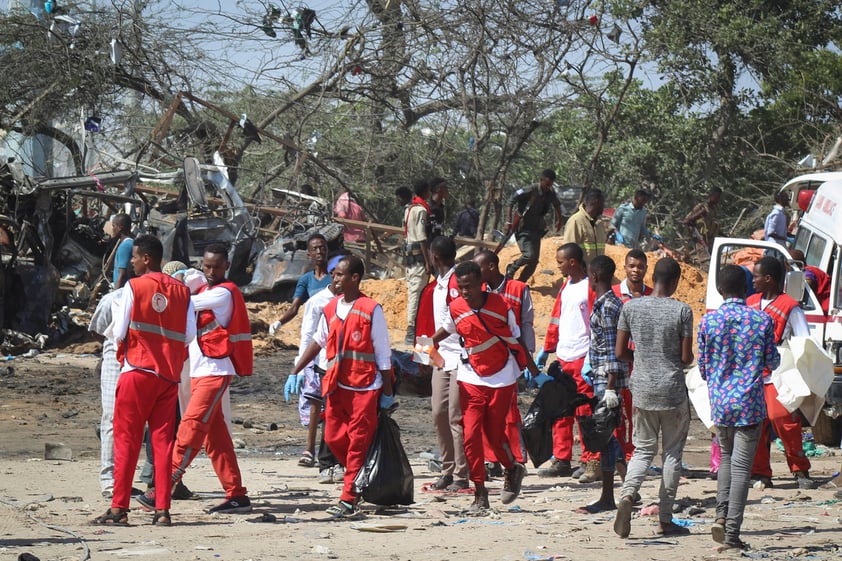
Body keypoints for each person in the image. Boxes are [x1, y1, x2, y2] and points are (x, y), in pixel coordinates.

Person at [93, 234, 195, 527]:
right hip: (167, 377)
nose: (132, 262)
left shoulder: (133, 287)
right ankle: (162, 509)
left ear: (146, 258)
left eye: (135, 257)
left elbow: (119, 330)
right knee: (163, 444)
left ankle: (118, 508)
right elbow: (189, 335)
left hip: (137, 371)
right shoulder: (183, 291)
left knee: (126, 441)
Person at [291, 255, 395, 518]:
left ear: (355, 278)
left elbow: (383, 353)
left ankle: (349, 497)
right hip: (337, 386)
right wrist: (296, 370)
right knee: (334, 438)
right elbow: (318, 340)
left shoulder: (372, 309)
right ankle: (358, 475)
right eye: (334, 274)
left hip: (365, 387)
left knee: (358, 443)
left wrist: (387, 392)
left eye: (339, 274)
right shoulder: (331, 308)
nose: (334, 279)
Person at [431, 261, 538, 512]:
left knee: (493, 433)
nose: (465, 292)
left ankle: (512, 468)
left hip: (502, 376)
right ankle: (480, 494)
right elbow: (446, 329)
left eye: (469, 286)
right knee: (470, 434)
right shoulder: (455, 307)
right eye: (461, 287)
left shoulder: (501, 305)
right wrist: (424, 347)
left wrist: (533, 370)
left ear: (481, 283)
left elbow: (516, 337)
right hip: (470, 376)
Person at [698, 264, 780, 550]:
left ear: (720, 290)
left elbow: (703, 368)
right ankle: (732, 532)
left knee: (726, 459)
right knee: (742, 467)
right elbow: (773, 361)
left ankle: (720, 515)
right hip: (749, 402)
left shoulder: (708, 322)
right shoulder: (761, 320)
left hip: (720, 404)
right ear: (746, 289)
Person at [169, 243, 254, 515]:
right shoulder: (206, 287)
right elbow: (188, 284)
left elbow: (183, 300)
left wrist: (179, 278)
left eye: (216, 266)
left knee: (191, 427)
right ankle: (237, 495)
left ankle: (164, 482)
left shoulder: (222, 294)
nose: (210, 271)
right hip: (201, 370)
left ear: (226, 266)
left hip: (214, 372)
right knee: (216, 441)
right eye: (206, 266)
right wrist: (188, 275)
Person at [613, 257, 694, 539]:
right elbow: (685, 358)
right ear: (674, 282)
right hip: (672, 390)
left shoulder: (631, 307)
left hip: (642, 389)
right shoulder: (682, 310)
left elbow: (621, 352)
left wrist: (644, 359)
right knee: (671, 454)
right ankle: (666, 519)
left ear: (653, 277)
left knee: (642, 450)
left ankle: (627, 496)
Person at [747, 256, 817, 489]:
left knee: (782, 419)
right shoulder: (750, 302)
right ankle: (760, 473)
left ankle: (800, 469)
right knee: (755, 422)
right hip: (752, 374)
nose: (753, 279)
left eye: (756, 275)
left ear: (769, 279)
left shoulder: (790, 306)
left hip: (778, 373)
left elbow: (804, 342)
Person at [535, 243, 600, 483]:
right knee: (561, 411)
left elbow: (595, 324)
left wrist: (592, 357)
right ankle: (561, 459)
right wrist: (547, 350)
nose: (558, 265)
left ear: (572, 262)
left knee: (585, 411)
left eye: (561, 261)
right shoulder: (566, 287)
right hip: (564, 356)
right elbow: (557, 318)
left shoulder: (590, 288)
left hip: (583, 355)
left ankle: (589, 459)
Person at [284, 254, 344, 479]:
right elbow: (310, 335)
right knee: (316, 405)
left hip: (343, 365)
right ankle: (311, 450)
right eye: (337, 274)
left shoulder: (354, 302)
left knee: (335, 411)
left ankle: (334, 457)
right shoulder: (318, 301)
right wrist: (298, 368)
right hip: (319, 363)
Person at [474, 249, 535, 469]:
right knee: (484, 410)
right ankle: (492, 459)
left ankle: (516, 458)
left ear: (491, 266)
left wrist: (529, 358)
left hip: (511, 359)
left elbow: (526, 323)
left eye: (478, 267)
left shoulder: (518, 289)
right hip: (484, 360)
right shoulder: (476, 291)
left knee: (508, 411)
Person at [576, 255, 627, 514]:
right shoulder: (605, 303)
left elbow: (611, 350)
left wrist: (609, 387)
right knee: (608, 435)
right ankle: (629, 485)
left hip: (606, 381)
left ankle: (609, 496)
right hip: (601, 377)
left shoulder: (608, 306)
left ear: (594, 276)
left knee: (604, 437)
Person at [426, 236, 469, 491]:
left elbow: (456, 318)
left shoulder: (456, 282)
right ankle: (447, 468)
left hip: (460, 356)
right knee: (438, 413)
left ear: (434, 256)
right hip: (441, 356)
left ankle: (462, 473)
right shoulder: (438, 284)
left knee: (455, 415)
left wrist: (429, 341)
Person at [611, 249, 653, 466]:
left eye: (640, 266)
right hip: (618, 362)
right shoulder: (614, 294)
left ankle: (635, 455)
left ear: (646, 268)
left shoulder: (653, 296)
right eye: (632, 266)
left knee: (637, 411)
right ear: (625, 267)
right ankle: (619, 456)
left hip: (643, 363)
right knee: (616, 410)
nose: (636, 270)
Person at [89, 286, 125, 499]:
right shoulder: (113, 299)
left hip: (142, 363)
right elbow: (98, 330)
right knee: (111, 419)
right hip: (115, 362)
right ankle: (109, 480)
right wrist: (111, 348)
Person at [503, 169, 563, 282]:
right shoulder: (529, 190)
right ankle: (512, 268)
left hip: (536, 229)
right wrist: (508, 221)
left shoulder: (550, 194)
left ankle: (520, 282)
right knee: (529, 255)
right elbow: (511, 200)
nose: (548, 187)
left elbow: (557, 205)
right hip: (523, 228)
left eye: (550, 185)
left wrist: (559, 220)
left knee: (534, 261)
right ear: (541, 180)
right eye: (547, 184)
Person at [269, 233, 332, 337]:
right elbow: (294, 308)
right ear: (309, 254)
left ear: (327, 250)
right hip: (315, 333)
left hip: (333, 330)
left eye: (322, 248)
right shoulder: (306, 279)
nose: (319, 252)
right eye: (315, 249)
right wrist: (279, 322)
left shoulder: (336, 277)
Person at [403, 179, 433, 344]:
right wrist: (428, 261)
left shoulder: (409, 209)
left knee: (415, 290)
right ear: (426, 192)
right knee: (416, 292)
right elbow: (421, 237)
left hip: (409, 255)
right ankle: (411, 328)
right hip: (419, 256)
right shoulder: (421, 210)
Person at [563, 189, 607, 266]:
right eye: (601, 205)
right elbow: (569, 250)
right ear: (592, 203)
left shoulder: (599, 223)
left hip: (596, 272)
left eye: (602, 205)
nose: (602, 208)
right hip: (581, 273)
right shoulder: (576, 221)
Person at [683, 186, 722, 252]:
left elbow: (712, 225)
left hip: (710, 241)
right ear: (711, 195)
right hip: (701, 241)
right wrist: (699, 213)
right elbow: (686, 221)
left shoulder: (713, 209)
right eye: (717, 197)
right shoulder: (702, 207)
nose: (718, 199)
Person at [111, 213, 134, 289]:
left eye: (113, 226)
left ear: (120, 227)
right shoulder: (131, 242)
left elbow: (122, 274)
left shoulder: (125, 246)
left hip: (122, 289)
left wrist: (115, 294)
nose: (112, 229)